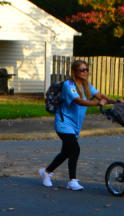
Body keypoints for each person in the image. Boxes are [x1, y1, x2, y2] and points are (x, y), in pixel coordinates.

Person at [39, 60, 113, 191]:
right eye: (82, 69)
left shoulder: (87, 85)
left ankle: (46, 171)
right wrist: (97, 103)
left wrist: (115, 101)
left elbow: (99, 95)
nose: (85, 72)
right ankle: (72, 181)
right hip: (63, 122)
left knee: (66, 152)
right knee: (75, 149)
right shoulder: (69, 85)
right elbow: (78, 101)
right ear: (74, 72)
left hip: (75, 125)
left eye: (86, 69)